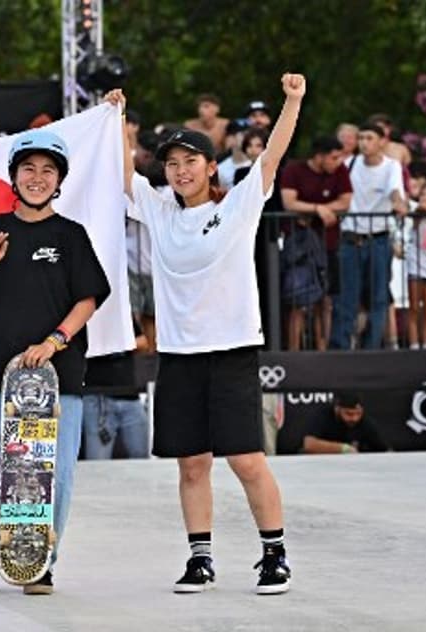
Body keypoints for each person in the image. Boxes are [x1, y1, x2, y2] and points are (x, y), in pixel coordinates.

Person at [111, 72, 306, 595]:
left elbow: (272, 156)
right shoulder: (158, 211)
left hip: (233, 351)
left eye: (190, 161)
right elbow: (123, 173)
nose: (180, 171)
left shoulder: (237, 206)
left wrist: (293, 100)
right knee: (192, 463)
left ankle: (274, 555)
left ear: (210, 166)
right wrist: (116, 118)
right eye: (172, 163)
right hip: (179, 356)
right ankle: (200, 559)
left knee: (246, 460)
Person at [0, 130, 110, 595]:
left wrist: (55, 342)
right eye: (28, 169)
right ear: (13, 176)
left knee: (51, 474)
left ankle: (39, 564)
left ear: (60, 181)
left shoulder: (71, 235)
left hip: (56, 378)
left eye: (48, 170)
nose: (37, 178)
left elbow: (88, 299)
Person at [330, 123, 408, 350]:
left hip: (379, 239)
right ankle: (341, 348)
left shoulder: (391, 166)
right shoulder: (349, 164)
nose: (364, 143)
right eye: (361, 138)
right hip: (350, 238)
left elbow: (394, 190)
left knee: (378, 297)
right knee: (346, 297)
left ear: (382, 141)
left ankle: (371, 348)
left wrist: (398, 202)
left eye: (369, 138)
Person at [279, 136, 353, 350]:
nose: (338, 162)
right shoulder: (294, 170)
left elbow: (346, 201)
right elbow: (289, 202)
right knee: (297, 299)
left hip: (329, 243)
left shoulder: (340, 171)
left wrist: (318, 210)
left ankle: (323, 350)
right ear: (319, 156)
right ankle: (294, 351)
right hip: (299, 246)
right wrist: (318, 209)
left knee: (326, 300)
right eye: (334, 157)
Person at [82, 318, 149, 460]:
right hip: (97, 396)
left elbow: (144, 342)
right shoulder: (86, 314)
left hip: (130, 395)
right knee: (97, 462)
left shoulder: (123, 312)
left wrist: (117, 344)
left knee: (142, 457)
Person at [406, 180, 426, 349]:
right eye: (422, 195)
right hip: (416, 263)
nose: (424, 198)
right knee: (414, 308)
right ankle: (413, 345)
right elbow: (417, 208)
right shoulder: (418, 213)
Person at [302, 391, 390, 453]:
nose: (354, 418)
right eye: (349, 414)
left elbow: (384, 449)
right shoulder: (323, 415)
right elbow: (309, 445)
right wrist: (343, 449)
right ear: (337, 409)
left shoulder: (364, 421)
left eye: (358, 413)